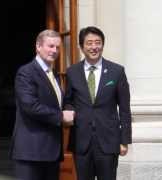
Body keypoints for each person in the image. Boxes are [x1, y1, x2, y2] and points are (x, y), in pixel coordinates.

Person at [64, 26, 132, 180]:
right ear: (81, 47)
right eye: (89, 43)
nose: (94, 47)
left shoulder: (117, 71)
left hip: (108, 142)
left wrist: (124, 140)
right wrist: (68, 111)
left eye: (98, 42)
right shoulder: (72, 72)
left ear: (102, 45)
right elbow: (68, 101)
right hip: (81, 142)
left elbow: (125, 109)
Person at [10, 29, 75, 180]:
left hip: (51, 153)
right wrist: (61, 116)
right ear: (38, 47)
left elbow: (60, 103)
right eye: (50, 46)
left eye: (58, 47)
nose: (55, 51)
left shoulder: (55, 75)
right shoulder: (26, 72)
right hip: (31, 153)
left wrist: (70, 109)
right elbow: (30, 106)